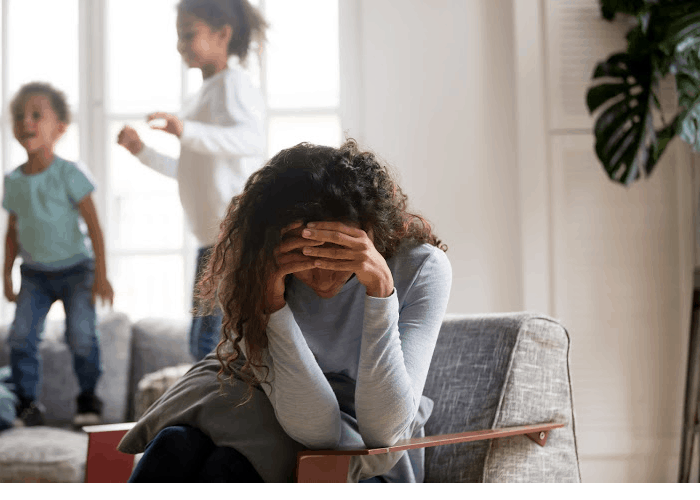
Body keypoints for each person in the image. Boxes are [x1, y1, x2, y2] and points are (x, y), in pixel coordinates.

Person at [118, 139, 452, 483]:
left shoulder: (421, 267)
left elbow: (381, 432)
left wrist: (381, 292)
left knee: (228, 466)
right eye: (305, 257)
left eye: (337, 254)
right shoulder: (253, 266)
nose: (322, 276)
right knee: (175, 446)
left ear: (369, 232)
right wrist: (271, 305)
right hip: (257, 393)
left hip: (357, 432)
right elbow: (315, 425)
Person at [117, 0, 267, 361]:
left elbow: (251, 140)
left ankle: (207, 412)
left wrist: (185, 130)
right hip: (209, 238)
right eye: (179, 36)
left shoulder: (234, 83)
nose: (180, 45)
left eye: (188, 35)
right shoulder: (200, 96)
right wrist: (142, 151)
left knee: (208, 342)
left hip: (233, 235)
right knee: (201, 341)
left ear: (223, 34)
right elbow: (187, 170)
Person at [2, 82, 114, 428]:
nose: (26, 122)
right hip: (34, 274)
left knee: (81, 335)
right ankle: (26, 403)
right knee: (20, 337)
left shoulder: (70, 173)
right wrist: (6, 274)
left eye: (37, 115)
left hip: (77, 271)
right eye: (20, 116)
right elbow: (13, 232)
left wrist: (101, 274)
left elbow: (94, 226)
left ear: (60, 128)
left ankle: (88, 397)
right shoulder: (13, 182)